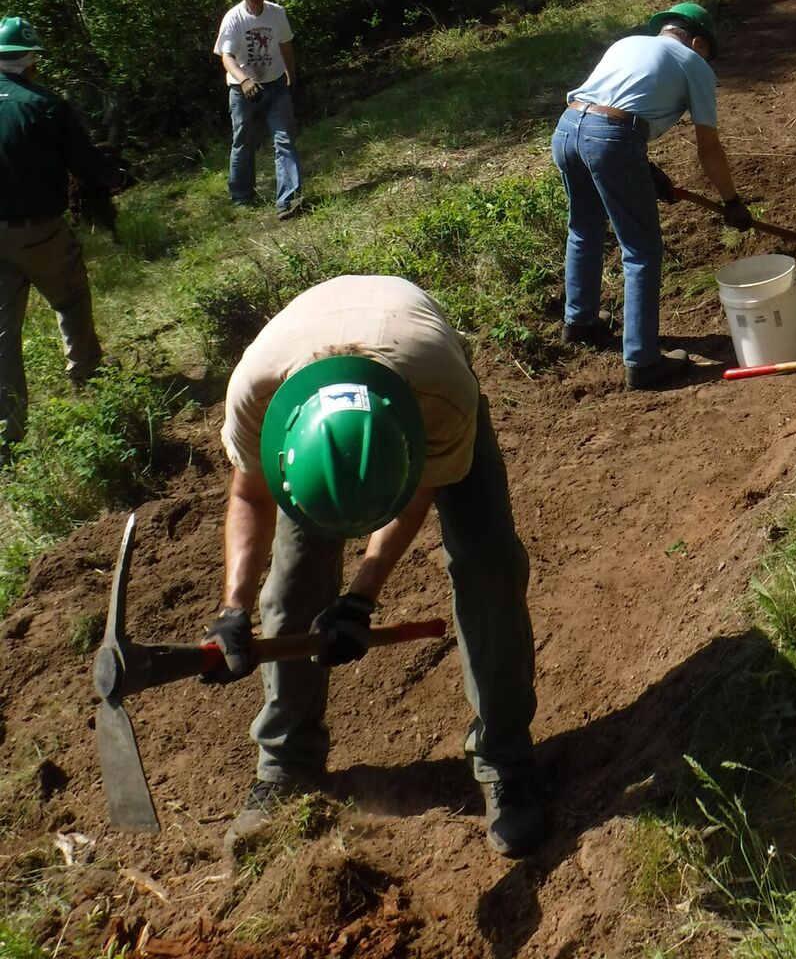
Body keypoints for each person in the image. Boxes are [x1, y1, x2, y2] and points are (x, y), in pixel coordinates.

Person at [200, 274, 543, 859]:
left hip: (417, 369)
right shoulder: (256, 396)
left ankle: (504, 758)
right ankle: (285, 765)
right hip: (306, 366)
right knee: (290, 587)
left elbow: (420, 492)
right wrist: (232, 607)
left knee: (488, 564)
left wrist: (360, 596)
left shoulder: (442, 397)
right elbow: (248, 496)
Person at [551, 2, 754, 390]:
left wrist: (641, 167)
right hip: (611, 138)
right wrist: (732, 201)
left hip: (567, 129)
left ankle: (580, 323)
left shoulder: (627, 43)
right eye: (707, 49)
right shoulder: (694, 62)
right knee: (641, 251)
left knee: (583, 229)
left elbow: (604, 106)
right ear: (697, 41)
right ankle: (643, 362)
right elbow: (708, 148)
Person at [0, 16, 125, 462]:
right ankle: (88, 381)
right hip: (38, 229)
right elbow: (86, 164)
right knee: (70, 298)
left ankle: (7, 436)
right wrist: (116, 177)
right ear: (31, 59)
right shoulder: (46, 106)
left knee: (4, 335)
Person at [213, 0, 303, 221]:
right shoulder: (233, 19)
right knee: (244, 142)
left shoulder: (277, 13)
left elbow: (286, 44)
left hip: (275, 85)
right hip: (242, 92)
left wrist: (291, 74)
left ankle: (286, 201)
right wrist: (244, 80)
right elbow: (226, 57)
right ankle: (242, 196)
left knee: (284, 140)